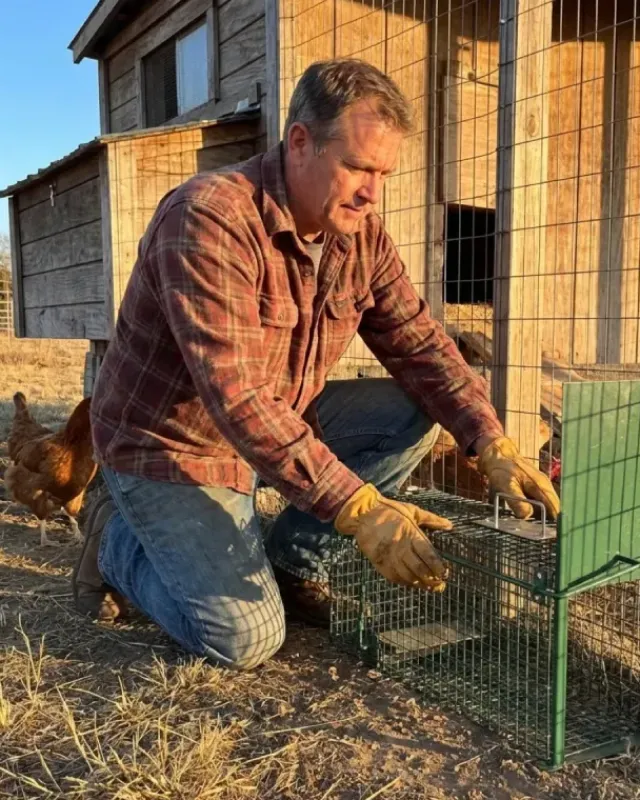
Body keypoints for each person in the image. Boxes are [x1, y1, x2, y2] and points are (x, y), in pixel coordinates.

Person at [73, 57, 560, 670]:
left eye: (383, 173)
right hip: (172, 446)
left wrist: (490, 440)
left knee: (411, 410)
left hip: (278, 422)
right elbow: (239, 398)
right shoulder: (209, 218)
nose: (372, 192)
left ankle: (292, 564)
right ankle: (115, 541)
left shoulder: (360, 235)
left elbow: (420, 344)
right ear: (300, 141)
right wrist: (359, 509)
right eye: (358, 167)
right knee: (243, 641)